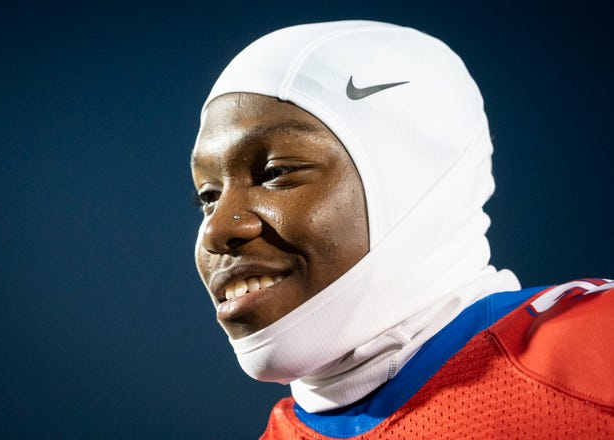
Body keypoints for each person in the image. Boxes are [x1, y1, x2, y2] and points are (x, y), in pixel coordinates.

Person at [190, 20, 613, 439]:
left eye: (276, 172)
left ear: (411, 183)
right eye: (208, 196)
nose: (215, 231)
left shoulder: (596, 350)